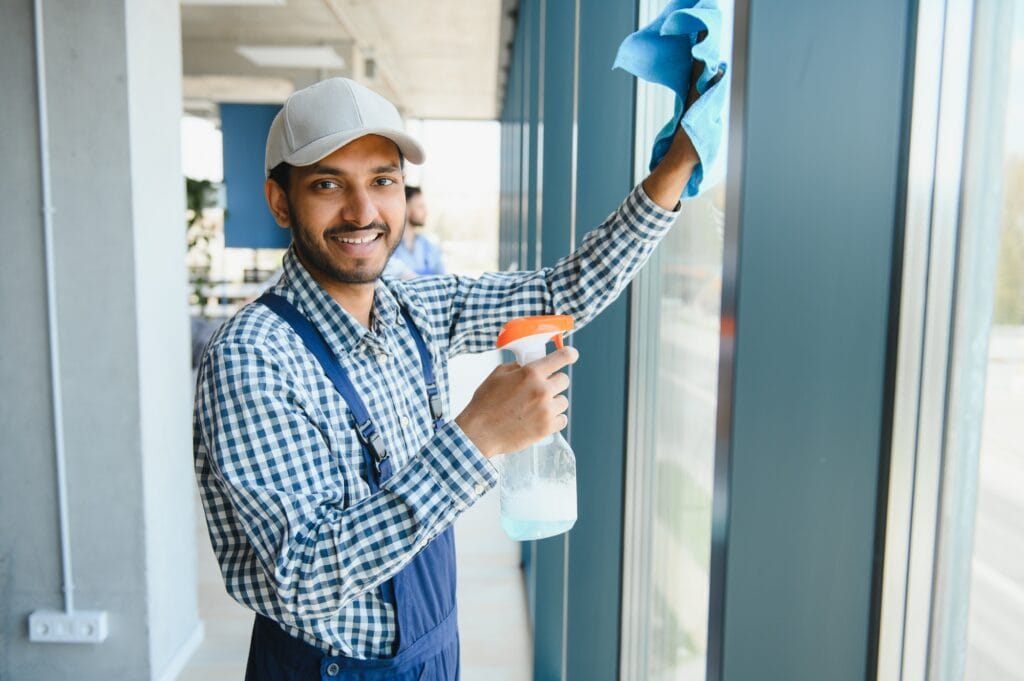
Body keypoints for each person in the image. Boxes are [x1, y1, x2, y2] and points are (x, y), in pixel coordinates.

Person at [193, 75, 701, 680]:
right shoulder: (254, 357)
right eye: (329, 184)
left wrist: (676, 165)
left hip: (431, 656)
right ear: (280, 202)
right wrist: (475, 439)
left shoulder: (416, 310)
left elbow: (562, 292)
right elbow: (305, 575)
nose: (363, 212)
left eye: (382, 181)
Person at [383, 186, 445, 278]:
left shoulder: (430, 247)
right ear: (405, 207)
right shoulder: (386, 247)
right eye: (420, 206)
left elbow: (444, 282)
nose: (426, 212)